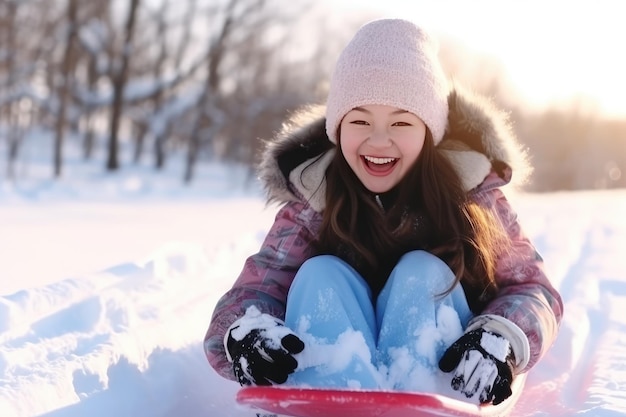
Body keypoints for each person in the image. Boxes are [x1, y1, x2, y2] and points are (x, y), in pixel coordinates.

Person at [204, 18, 563, 406]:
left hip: (441, 375)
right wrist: (247, 333)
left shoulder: (471, 194)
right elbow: (252, 293)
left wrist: (500, 338)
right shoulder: (316, 198)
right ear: (337, 129)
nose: (379, 140)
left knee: (422, 274)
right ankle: (326, 402)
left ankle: (422, 403)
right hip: (334, 380)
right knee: (318, 275)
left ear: (429, 132)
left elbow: (534, 290)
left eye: (401, 122)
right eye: (359, 120)